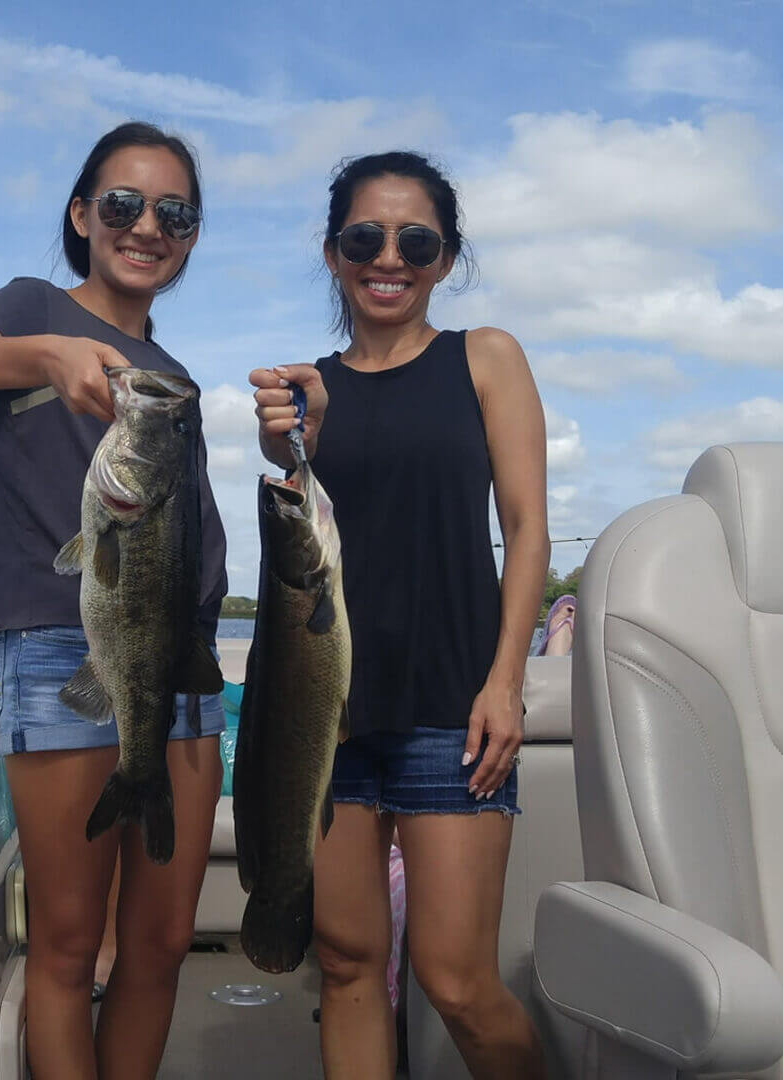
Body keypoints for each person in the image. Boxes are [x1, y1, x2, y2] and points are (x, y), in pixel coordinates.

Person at [0, 121, 226, 1080]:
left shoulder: (177, 379)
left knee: (160, 945)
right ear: (82, 215)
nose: (147, 226)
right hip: (54, 648)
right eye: (122, 204)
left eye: (176, 213)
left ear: (192, 236)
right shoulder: (32, 308)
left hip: (186, 662)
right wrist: (42, 356)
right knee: (68, 947)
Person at [250, 151, 550, 1079]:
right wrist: (297, 444)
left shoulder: (484, 355)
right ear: (335, 252)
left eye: (415, 239)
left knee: (456, 980)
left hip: (451, 709)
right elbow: (310, 543)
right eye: (364, 237)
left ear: (446, 255)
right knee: (345, 967)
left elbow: (528, 527)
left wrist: (506, 682)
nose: (390, 256)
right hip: (325, 718)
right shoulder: (309, 390)